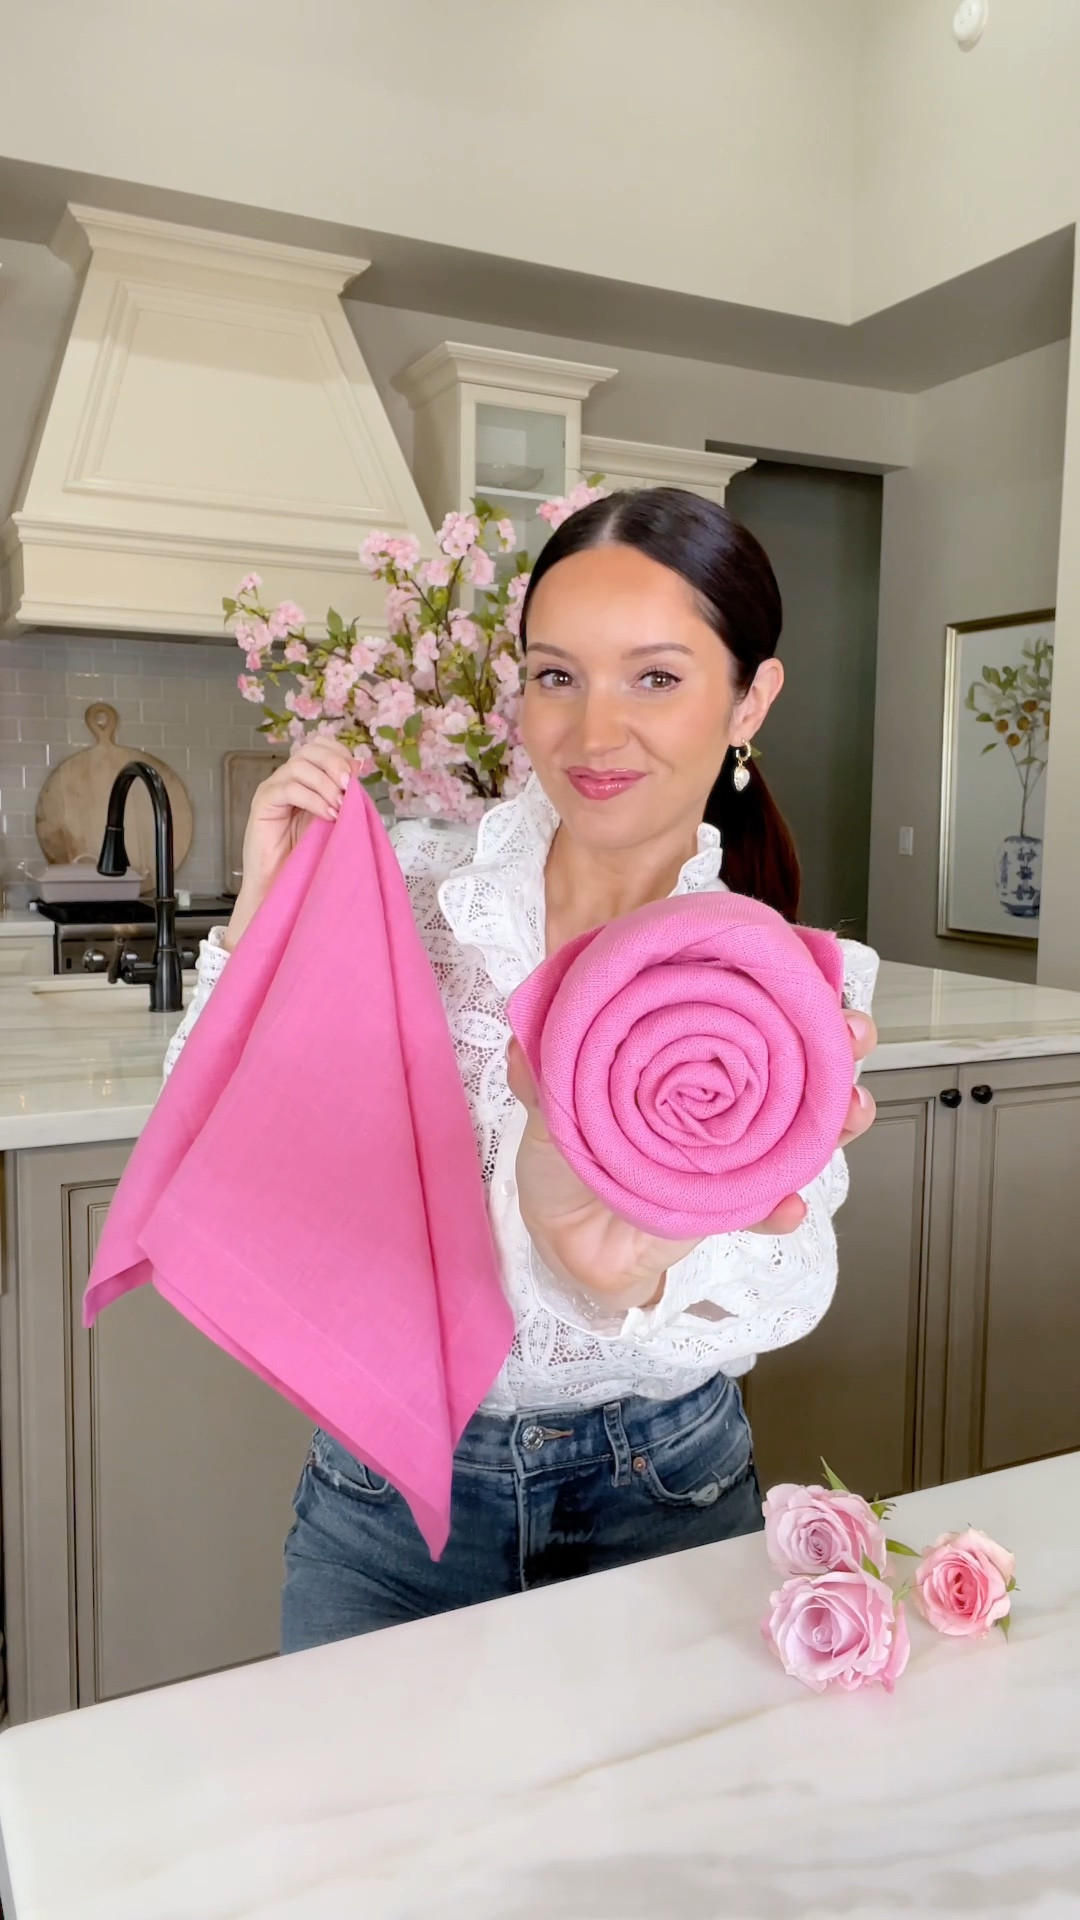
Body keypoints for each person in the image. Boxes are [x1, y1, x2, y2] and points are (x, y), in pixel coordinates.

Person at [166, 487, 878, 1651]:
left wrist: (621, 1277)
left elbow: (789, 1282)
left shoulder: (786, 987)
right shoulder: (412, 890)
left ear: (751, 698)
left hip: (661, 1500)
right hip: (384, 1503)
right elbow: (217, 1137)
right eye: (557, 676)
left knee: (655, 1841)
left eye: (656, 677)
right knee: (363, 1836)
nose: (595, 734)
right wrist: (261, 911)